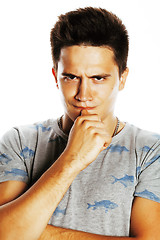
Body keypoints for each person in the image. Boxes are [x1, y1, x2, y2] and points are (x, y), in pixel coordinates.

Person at [0, 7, 160, 240]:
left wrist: (36, 232)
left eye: (98, 78)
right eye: (71, 77)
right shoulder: (19, 140)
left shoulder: (151, 150)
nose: (83, 94)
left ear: (122, 78)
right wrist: (72, 158)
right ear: (56, 77)